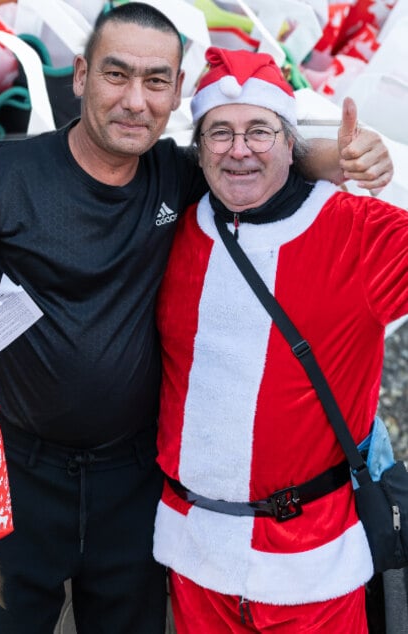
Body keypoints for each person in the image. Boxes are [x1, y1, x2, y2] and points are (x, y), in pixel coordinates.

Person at [0, 4, 393, 632]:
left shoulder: (175, 174)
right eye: (117, 75)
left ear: (177, 94)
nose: (135, 100)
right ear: (80, 77)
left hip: (133, 480)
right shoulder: (9, 173)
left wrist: (335, 158)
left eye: (156, 81)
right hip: (18, 466)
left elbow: (255, 155)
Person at [152, 46, 408, 632]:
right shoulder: (170, 227)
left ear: (291, 142)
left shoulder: (359, 232)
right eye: (220, 132)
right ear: (199, 149)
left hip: (313, 566)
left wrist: (373, 163)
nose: (239, 149)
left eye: (259, 131)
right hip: (195, 559)